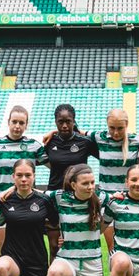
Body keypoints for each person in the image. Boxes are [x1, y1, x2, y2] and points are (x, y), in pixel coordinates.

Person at [43, 164, 109, 276]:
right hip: (67, 259)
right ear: (73, 185)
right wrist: (12, 188)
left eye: (92, 182)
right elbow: (33, 193)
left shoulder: (101, 197)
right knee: (53, 272)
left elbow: (126, 196)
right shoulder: (59, 197)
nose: (90, 187)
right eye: (85, 183)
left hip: (91, 262)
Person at [0, 105, 48, 250]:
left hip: (27, 202)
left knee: (29, 247)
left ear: (26, 125)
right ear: (8, 122)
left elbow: (54, 163)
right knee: (4, 248)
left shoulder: (34, 146)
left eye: (21, 123)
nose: (17, 126)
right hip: (2, 201)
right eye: (14, 122)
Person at [41, 103, 96, 261]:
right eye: (60, 122)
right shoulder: (49, 143)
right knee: (54, 246)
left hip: (78, 199)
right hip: (54, 199)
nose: (64, 125)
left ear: (74, 121)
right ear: (55, 122)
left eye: (68, 121)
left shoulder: (85, 142)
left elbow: (106, 153)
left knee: (79, 244)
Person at [93, 108, 139, 194]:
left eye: (120, 128)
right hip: (105, 197)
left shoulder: (137, 140)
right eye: (112, 128)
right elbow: (78, 132)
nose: (116, 133)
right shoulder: (99, 137)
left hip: (128, 197)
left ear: (126, 125)